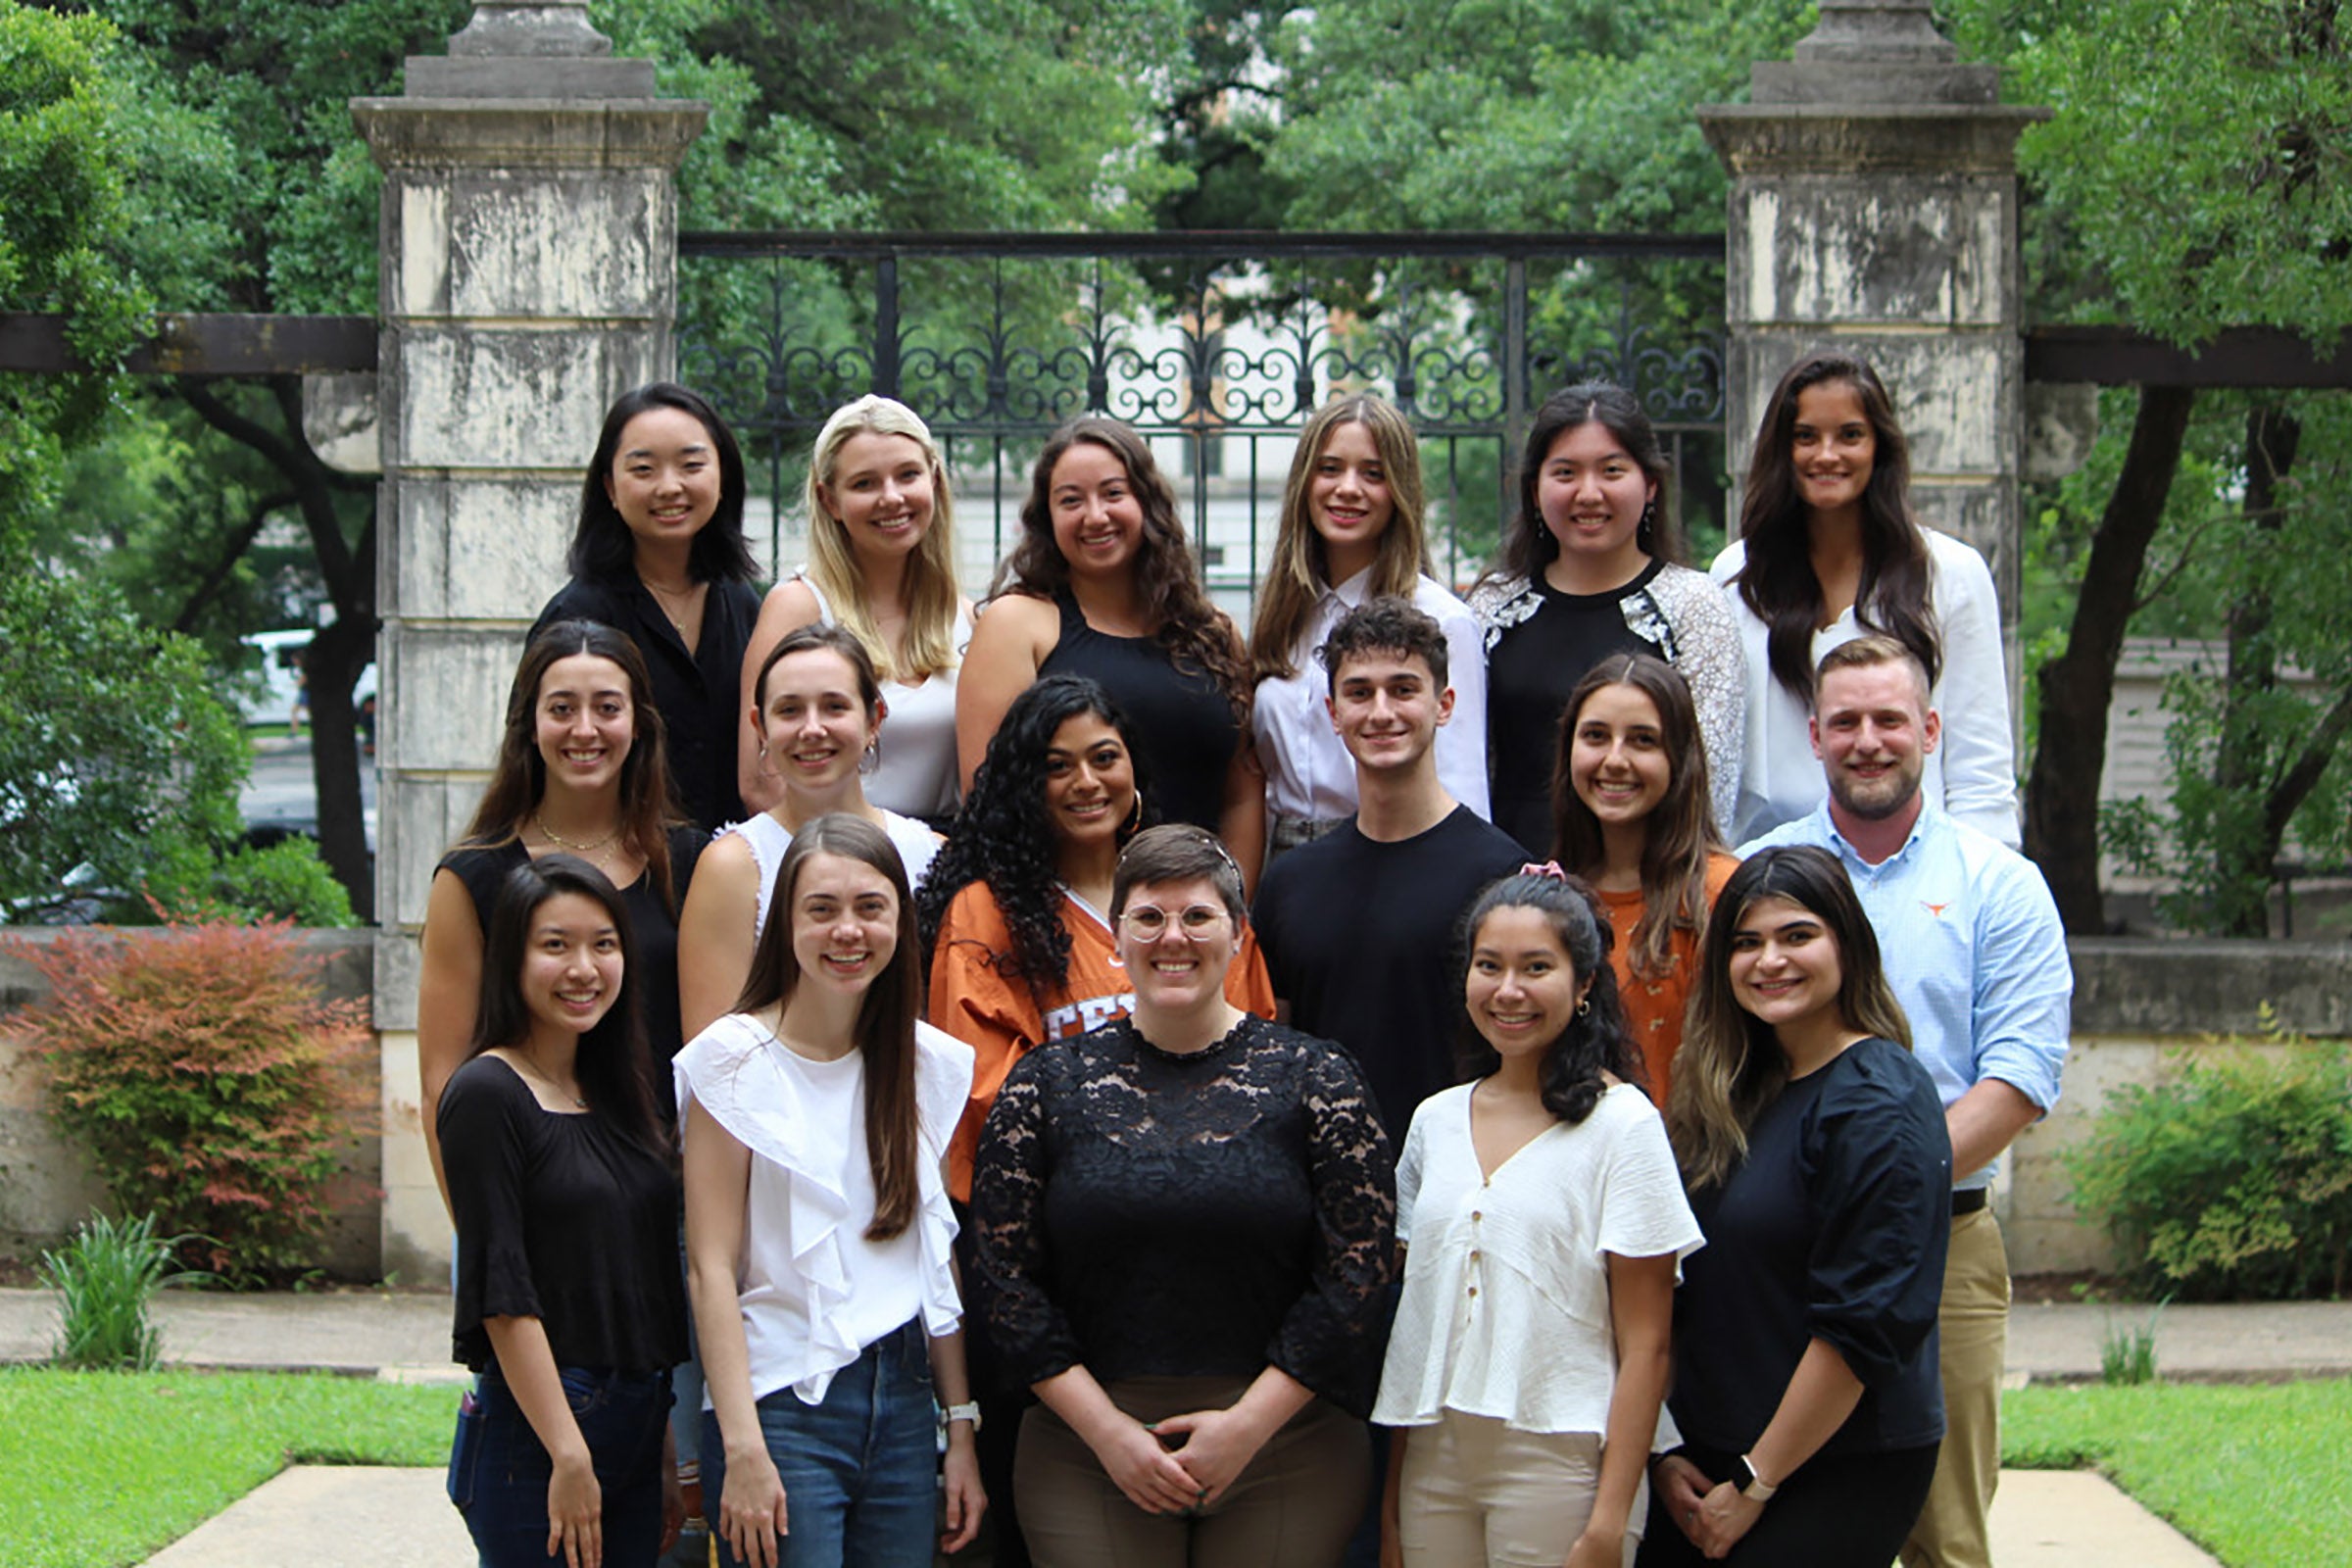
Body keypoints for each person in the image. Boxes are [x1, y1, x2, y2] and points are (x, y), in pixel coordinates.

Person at [970, 824, 1396, 1568]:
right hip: (1087, 1448)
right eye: (1149, 917)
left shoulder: (1319, 1079)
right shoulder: (1043, 1085)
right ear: (1116, 939)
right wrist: (1109, 1434)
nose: (1175, 938)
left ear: (1237, 936)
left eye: (1198, 917)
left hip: (1285, 1442)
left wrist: (1246, 1427)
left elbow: (1356, 1277)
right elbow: (1004, 1282)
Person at [1736, 636, 2071, 1568]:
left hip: (1945, 1247)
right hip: (1774, 1255)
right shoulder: (1757, 874)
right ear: (1814, 735)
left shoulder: (1999, 885)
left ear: (1928, 729)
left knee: (1943, 1534)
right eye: (1846, 721)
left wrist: (1877, 1201)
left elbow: (2019, 1081)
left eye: (1890, 720)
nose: (1868, 740)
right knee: (1781, 1514)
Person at [676, 814, 984, 1568]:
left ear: (900, 922)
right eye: (822, 909)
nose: (848, 931)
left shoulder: (925, 1064)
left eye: (870, 907)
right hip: (781, 1404)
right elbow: (709, 1266)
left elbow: (930, 1257)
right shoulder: (733, 1061)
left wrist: (962, 1428)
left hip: (907, 1406)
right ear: (785, 924)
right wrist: (741, 1443)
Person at [1375, 868, 1700, 1568]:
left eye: (1536, 968)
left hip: (1563, 1462)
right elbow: (1419, 1322)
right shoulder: (1434, 1121)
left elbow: (1647, 1347)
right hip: (1436, 1460)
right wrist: (1393, 1509)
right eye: (1488, 966)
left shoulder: (1623, 1127)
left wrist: (1610, 1520)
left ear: (1584, 984)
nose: (1508, 991)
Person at [1640, 846, 1951, 1568]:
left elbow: (1862, 1327)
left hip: (1832, 1466)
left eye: (1796, 936)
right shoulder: (1735, 1094)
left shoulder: (1879, 1100)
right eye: (1746, 942)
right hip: (1711, 1453)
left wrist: (1756, 1481)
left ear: (1847, 943)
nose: (1768, 960)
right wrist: (1671, 1450)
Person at [440, 855, 688, 1568]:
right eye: (556, 945)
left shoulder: (617, 1094)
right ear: (512, 958)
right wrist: (568, 1452)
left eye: (603, 944)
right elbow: (501, 1289)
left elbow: (636, 1283)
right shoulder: (487, 1094)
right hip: (540, 1433)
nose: (584, 968)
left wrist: (662, 1445)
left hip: (638, 1419)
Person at [419, 619, 703, 1201]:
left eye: (606, 708)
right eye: (562, 708)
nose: (585, 730)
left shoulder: (693, 864)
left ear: (639, 723)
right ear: (528, 726)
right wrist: (488, 1246)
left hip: (666, 1202)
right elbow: (441, 1082)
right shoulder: (473, 876)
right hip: (532, 1200)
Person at [1711, 350, 2017, 846]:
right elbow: (1717, 763)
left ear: (1880, 446)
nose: (1827, 454)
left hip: (1916, 870)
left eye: (1849, 435)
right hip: (1773, 877)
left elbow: (1982, 771)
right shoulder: (1738, 576)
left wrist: (1975, 891)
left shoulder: (1951, 574)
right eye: (1806, 436)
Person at [1251, 596, 1524, 1140]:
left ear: (1444, 704)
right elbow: (1269, 1052)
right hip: (1325, 1182)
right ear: (1333, 714)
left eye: (1403, 689)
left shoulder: (1504, 875)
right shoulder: (1288, 884)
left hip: (1460, 1177)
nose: (1381, 712)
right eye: (1359, 693)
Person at [956, 416, 1263, 886]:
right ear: (1047, 519)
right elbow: (987, 800)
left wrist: (1229, 909)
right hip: (1068, 918)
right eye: (1071, 500)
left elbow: (1242, 795)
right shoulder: (1017, 624)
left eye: (1113, 493)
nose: (1095, 515)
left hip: (1197, 923)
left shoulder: (1213, 634)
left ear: (1146, 503)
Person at [1467, 382, 1743, 856]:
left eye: (1612, 471)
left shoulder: (1695, 608)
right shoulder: (1491, 608)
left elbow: (1710, 781)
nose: (1588, 493)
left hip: (1648, 885)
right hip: (1510, 892)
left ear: (1650, 484)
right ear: (1535, 490)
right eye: (1566, 473)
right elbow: (1465, 767)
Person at [1248, 393, 1489, 858]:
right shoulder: (1285, 616)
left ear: (1399, 491)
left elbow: (1464, 791)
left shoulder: (1442, 619)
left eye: (1373, 474)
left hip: (1394, 854)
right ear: (1304, 482)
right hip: (1286, 864)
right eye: (1330, 469)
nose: (1348, 488)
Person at [677, 623, 944, 1041]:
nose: (812, 729)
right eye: (789, 710)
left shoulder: (931, 856)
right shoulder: (733, 866)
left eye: (834, 706)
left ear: (875, 718)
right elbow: (712, 1053)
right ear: (760, 727)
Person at [534, 382, 763, 835]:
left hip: (733, 877)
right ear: (610, 488)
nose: (670, 487)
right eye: (643, 469)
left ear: (723, 477)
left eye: (691, 465)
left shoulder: (744, 605)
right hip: (618, 875)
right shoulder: (577, 617)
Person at [738, 396, 971, 827]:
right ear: (829, 500)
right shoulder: (798, 607)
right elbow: (760, 782)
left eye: (908, 475)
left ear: (934, 480)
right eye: (864, 484)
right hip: (830, 862)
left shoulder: (965, 616)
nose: (892, 497)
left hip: (943, 864)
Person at [1550, 656, 1740, 1105]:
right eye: (1596, 736)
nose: (1615, 760)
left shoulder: (1721, 893)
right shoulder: (1549, 894)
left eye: (1642, 740)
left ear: (1679, 756)